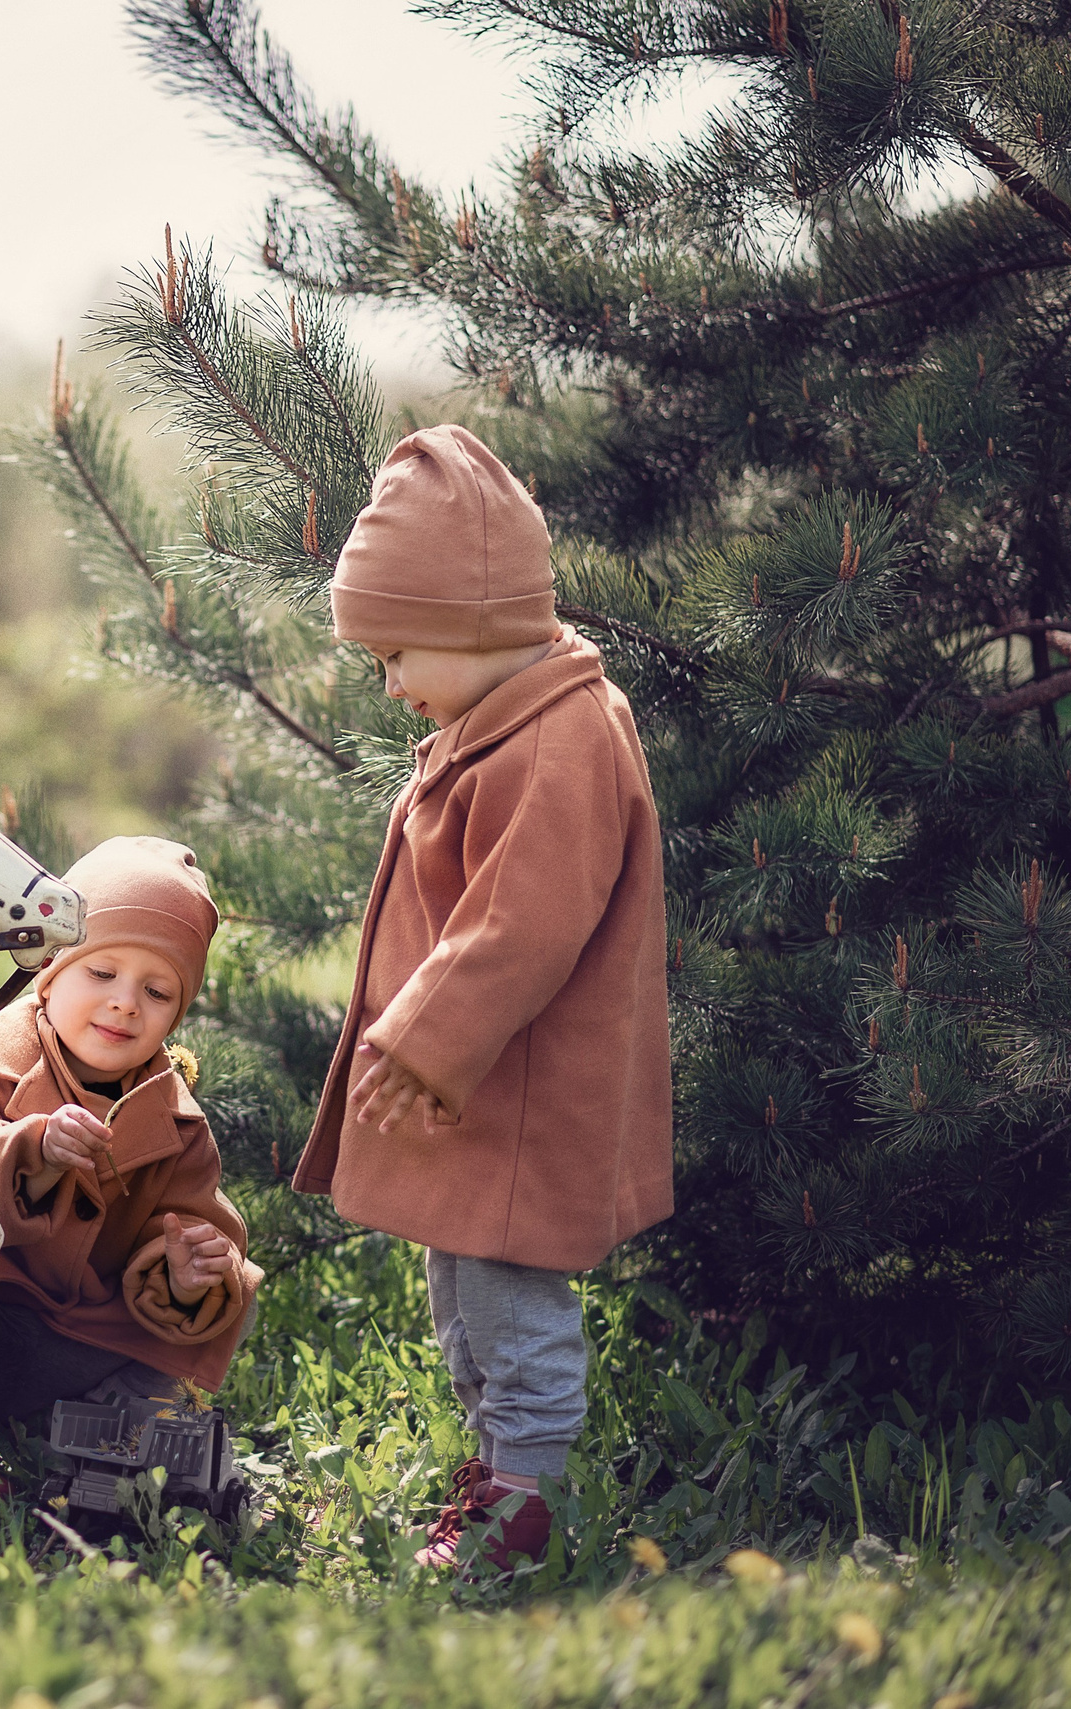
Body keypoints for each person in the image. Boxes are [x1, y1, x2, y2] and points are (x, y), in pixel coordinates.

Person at [293, 423, 674, 1571]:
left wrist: (419, 1033)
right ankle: (496, 1472)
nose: (391, 680)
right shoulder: (497, 717)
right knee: (460, 1295)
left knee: (511, 1303)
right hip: (472, 1090)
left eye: (398, 653)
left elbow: (524, 923)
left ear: (473, 625)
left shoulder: (563, 736)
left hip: (518, 1089)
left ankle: (526, 1499)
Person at [0, 836, 262, 1467]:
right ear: (49, 978)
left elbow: (191, 1221)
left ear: (175, 1017)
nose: (124, 1002)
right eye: (101, 973)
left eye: (158, 993)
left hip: (75, 1349)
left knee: (233, 1286)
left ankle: (106, 1427)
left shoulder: (177, 1125)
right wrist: (30, 1151)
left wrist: (186, 1272)